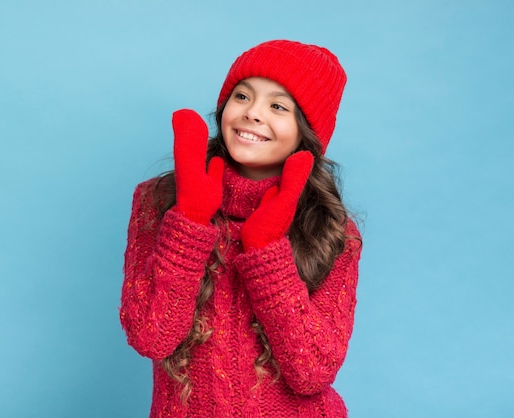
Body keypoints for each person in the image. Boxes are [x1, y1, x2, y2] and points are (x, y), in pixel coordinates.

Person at [120, 39, 363, 417]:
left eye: (277, 106)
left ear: (307, 132)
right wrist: (189, 221)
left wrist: (268, 253)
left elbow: (313, 373)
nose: (252, 113)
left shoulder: (331, 229)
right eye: (242, 96)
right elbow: (151, 336)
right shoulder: (159, 201)